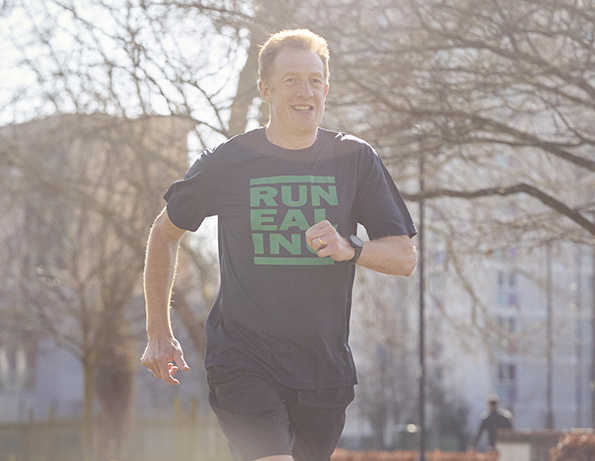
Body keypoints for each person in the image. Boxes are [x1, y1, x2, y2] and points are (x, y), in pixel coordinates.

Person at [141, 28, 418, 461]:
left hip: (324, 371)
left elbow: (404, 256)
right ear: (265, 90)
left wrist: (353, 248)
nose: (304, 90)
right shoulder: (228, 163)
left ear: (326, 88)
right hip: (243, 359)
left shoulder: (355, 159)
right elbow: (164, 234)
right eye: (290, 79)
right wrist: (159, 333)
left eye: (313, 79)